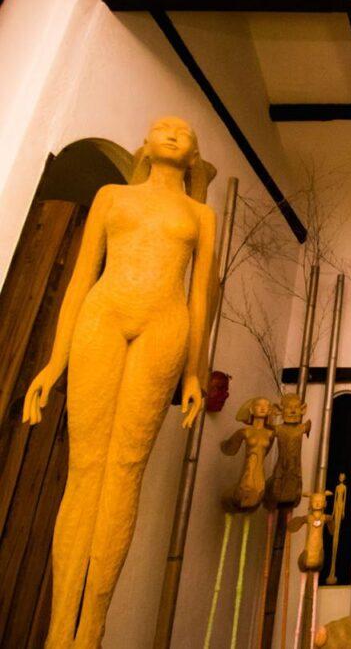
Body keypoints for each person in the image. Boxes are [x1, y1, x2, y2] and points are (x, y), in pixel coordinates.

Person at [22, 116, 216, 648]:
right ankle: (60, 629)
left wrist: (194, 370)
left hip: (163, 325)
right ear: (146, 145)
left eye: (185, 132)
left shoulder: (201, 214)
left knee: (126, 469)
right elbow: (81, 277)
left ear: (193, 156)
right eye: (164, 127)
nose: (174, 133)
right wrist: (54, 362)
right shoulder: (111, 197)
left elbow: (199, 295)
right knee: (85, 470)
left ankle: (92, 628)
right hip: (103, 316)